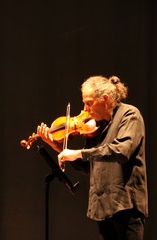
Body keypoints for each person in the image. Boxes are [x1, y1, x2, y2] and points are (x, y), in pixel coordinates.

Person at [37, 75, 148, 240]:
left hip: (125, 206)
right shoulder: (95, 126)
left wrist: (79, 152)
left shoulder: (130, 115)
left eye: (89, 103)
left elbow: (122, 151)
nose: (85, 109)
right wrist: (57, 147)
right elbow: (87, 166)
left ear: (105, 99)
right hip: (103, 208)